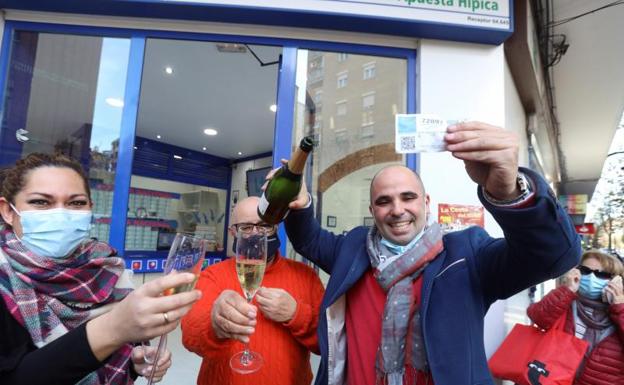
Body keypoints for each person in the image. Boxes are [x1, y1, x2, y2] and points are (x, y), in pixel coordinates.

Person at [279, 121, 582, 385]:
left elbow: (553, 257)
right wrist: (301, 203)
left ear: (425, 202)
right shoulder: (354, 248)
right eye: (384, 201)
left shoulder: (467, 254)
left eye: (407, 197)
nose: (397, 210)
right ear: (372, 210)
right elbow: (309, 240)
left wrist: (509, 194)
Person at [0, 153, 202, 385]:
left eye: (76, 203)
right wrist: (112, 329)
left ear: (90, 209)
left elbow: (123, 349)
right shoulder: (5, 280)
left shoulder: (107, 266)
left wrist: (134, 363)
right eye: (41, 202)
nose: (62, 214)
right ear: (7, 210)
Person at [181, 196, 324, 385]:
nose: (257, 234)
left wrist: (297, 314)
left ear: (276, 228)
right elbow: (190, 337)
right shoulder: (213, 275)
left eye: (264, 225)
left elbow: (327, 344)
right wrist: (215, 325)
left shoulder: (307, 276)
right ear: (233, 232)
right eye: (246, 228)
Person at [527, 250, 624, 384]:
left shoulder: (620, 311)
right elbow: (537, 316)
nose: (591, 278)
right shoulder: (565, 300)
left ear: (616, 280)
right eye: (585, 270)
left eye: (601, 274)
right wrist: (567, 290)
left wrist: (619, 307)